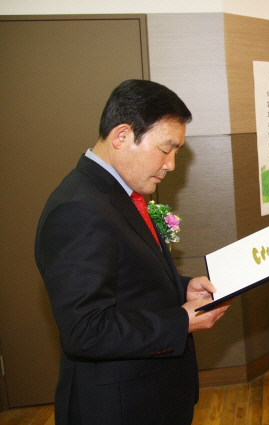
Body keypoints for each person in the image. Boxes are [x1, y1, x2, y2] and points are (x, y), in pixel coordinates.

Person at [35, 79, 231, 425]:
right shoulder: (78, 208)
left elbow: (127, 276)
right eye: (165, 149)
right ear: (122, 136)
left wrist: (181, 286)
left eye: (177, 152)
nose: (170, 164)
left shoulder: (116, 193)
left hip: (151, 396)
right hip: (119, 408)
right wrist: (180, 320)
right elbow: (86, 330)